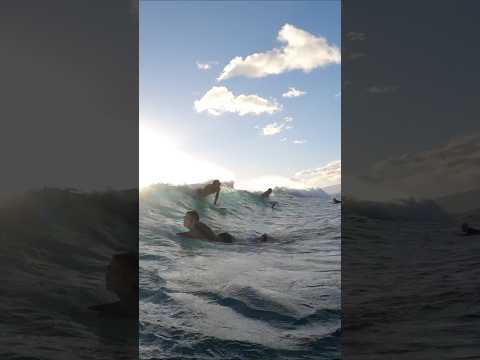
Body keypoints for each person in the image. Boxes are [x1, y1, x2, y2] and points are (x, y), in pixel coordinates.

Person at [89, 252, 138, 318]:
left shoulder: (133, 306)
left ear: (129, 277)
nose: (108, 275)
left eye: (115, 271)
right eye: (109, 269)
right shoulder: (130, 299)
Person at [177, 210, 268, 243]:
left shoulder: (195, 229)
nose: (183, 219)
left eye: (186, 218)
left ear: (192, 220)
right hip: (223, 236)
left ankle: (259, 240)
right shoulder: (199, 224)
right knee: (242, 241)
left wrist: (177, 235)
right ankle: (258, 239)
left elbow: (196, 235)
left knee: (243, 243)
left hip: (223, 240)